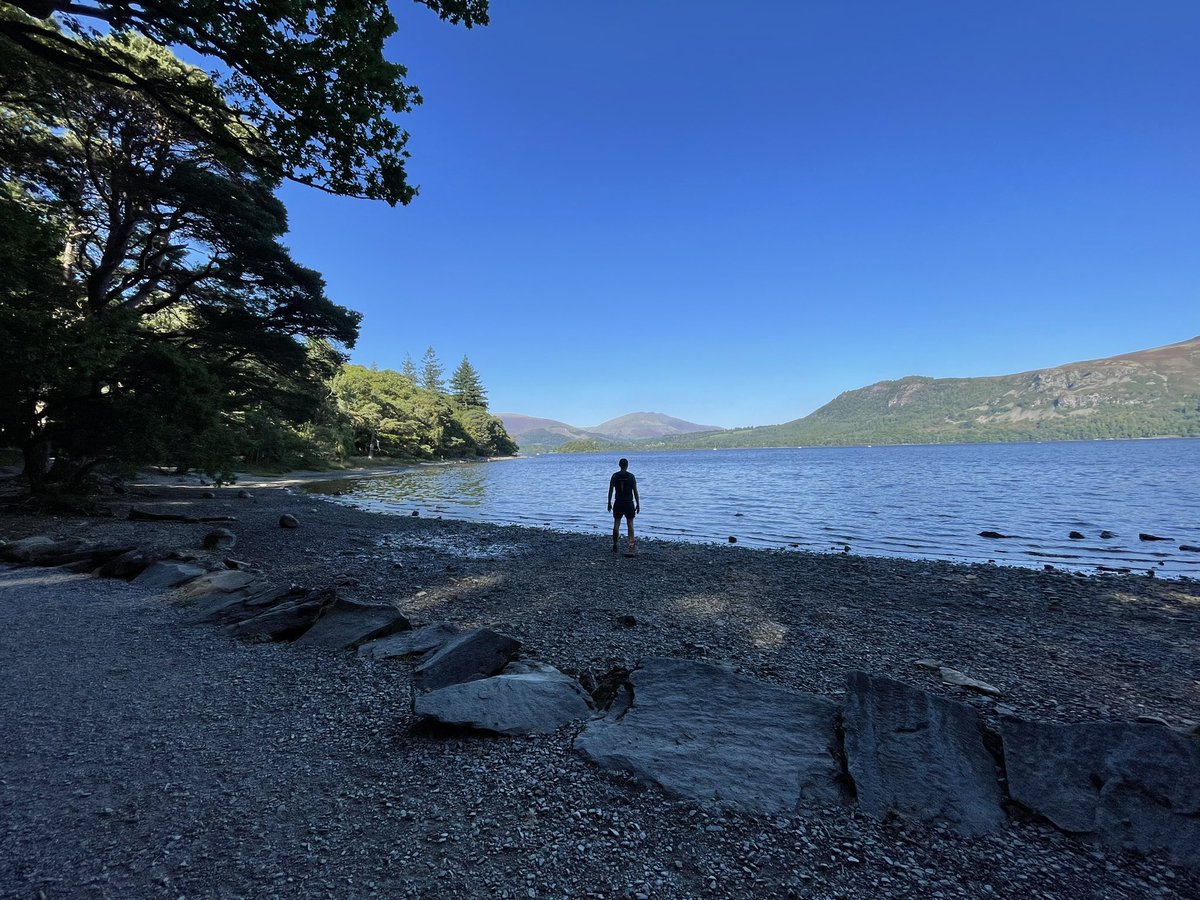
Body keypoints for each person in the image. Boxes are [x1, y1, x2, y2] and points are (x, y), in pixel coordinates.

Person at [607, 457, 640, 554]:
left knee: (616, 523)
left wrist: (609, 502)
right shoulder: (631, 476)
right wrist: (638, 504)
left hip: (618, 502)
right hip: (629, 502)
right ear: (627, 465)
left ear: (619, 465)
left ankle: (615, 545)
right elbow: (635, 491)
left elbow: (610, 490)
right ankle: (631, 547)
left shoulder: (614, 476)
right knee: (630, 524)